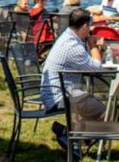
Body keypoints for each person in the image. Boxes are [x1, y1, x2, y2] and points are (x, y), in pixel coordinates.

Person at [40, 9, 106, 156]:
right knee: (107, 115)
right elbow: (96, 68)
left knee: (93, 106)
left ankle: (76, 136)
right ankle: (71, 134)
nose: (89, 30)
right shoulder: (73, 47)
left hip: (57, 92)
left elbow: (86, 63)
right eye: (89, 26)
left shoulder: (67, 37)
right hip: (60, 97)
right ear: (84, 27)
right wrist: (94, 45)